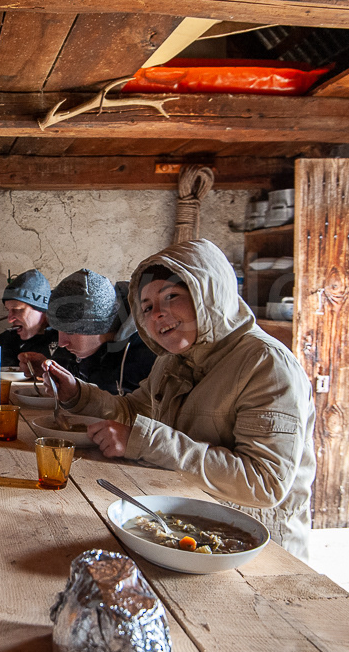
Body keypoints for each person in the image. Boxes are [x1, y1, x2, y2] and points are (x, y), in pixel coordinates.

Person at [42, 239, 316, 558]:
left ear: (209, 295)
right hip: (186, 531)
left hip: (257, 547)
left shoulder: (266, 364)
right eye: (146, 307)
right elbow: (133, 412)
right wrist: (77, 393)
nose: (158, 314)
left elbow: (264, 482)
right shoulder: (173, 360)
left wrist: (148, 443)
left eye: (171, 296)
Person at [17, 269, 156, 395]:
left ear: (99, 327)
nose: (61, 343)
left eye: (70, 332)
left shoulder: (147, 355)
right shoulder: (87, 348)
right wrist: (47, 369)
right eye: (58, 330)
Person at [0, 269, 57, 368]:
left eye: (17, 309)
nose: (10, 319)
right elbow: (1, 371)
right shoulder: (10, 338)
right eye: (8, 310)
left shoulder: (66, 339)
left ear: (42, 310)